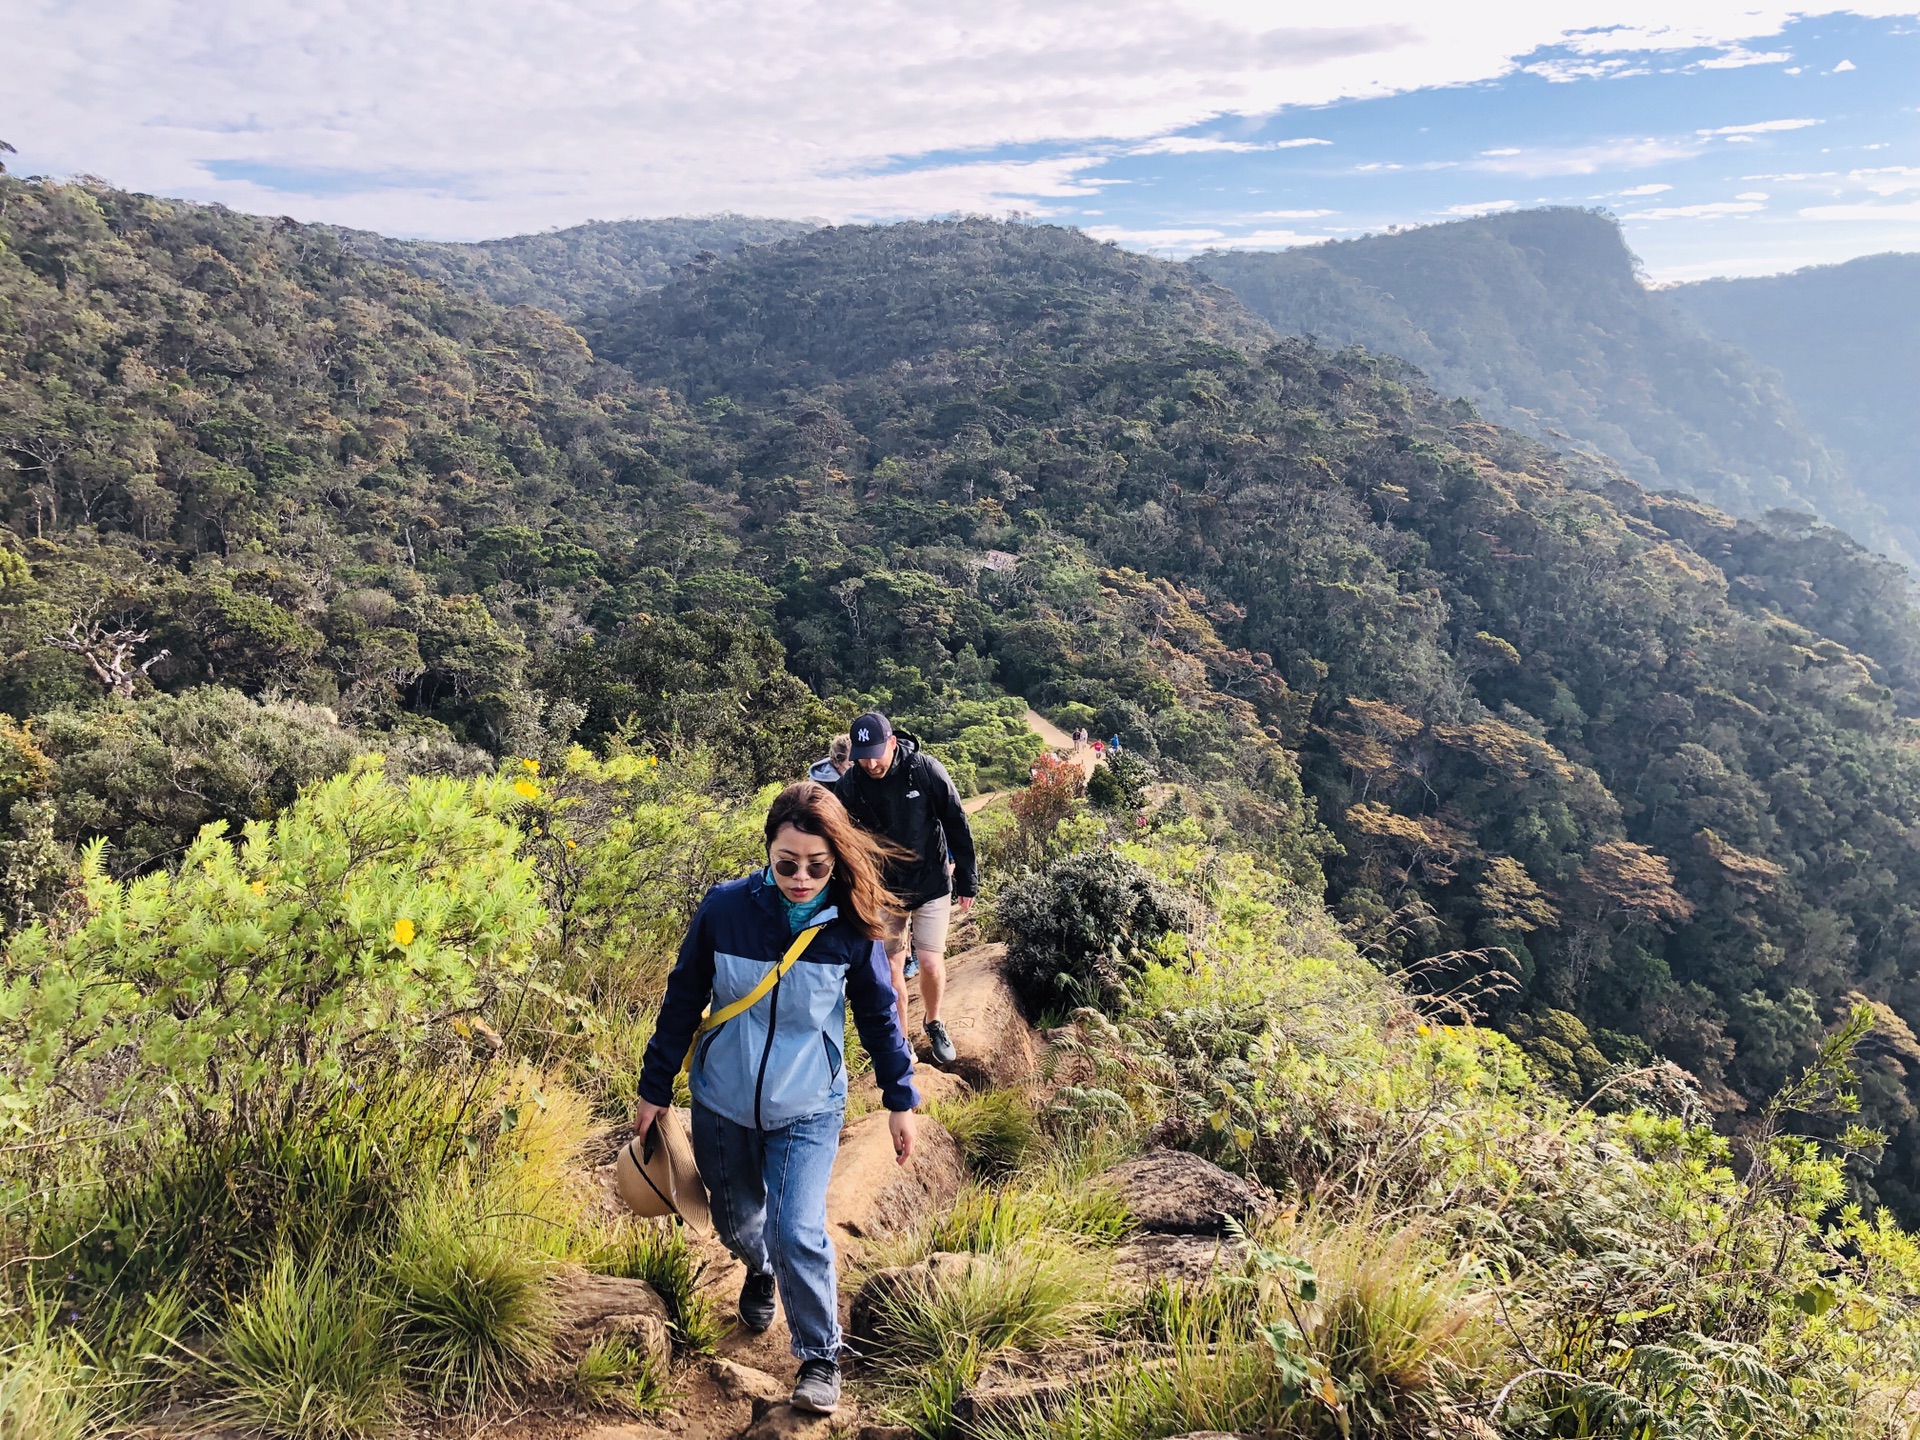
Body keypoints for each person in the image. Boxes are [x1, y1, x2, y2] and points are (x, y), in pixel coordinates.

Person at [634, 781, 919, 1416]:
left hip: (808, 1105)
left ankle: (820, 1355)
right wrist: (655, 1090)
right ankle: (758, 1270)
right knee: (736, 1223)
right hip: (720, 1099)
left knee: (798, 1231)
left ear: (836, 860)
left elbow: (878, 1016)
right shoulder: (725, 909)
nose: (799, 877)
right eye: (786, 862)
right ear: (768, 851)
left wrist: (900, 1097)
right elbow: (683, 998)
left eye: (816, 866)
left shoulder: (852, 925)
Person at [834, 711, 977, 1066]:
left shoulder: (924, 770)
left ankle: (933, 1021)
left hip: (930, 881)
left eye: (875, 753)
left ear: (892, 743)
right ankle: (900, 1043)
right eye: (861, 756)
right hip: (885, 890)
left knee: (928, 962)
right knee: (892, 969)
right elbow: (840, 840)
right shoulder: (851, 786)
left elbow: (955, 820)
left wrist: (967, 879)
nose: (869, 763)